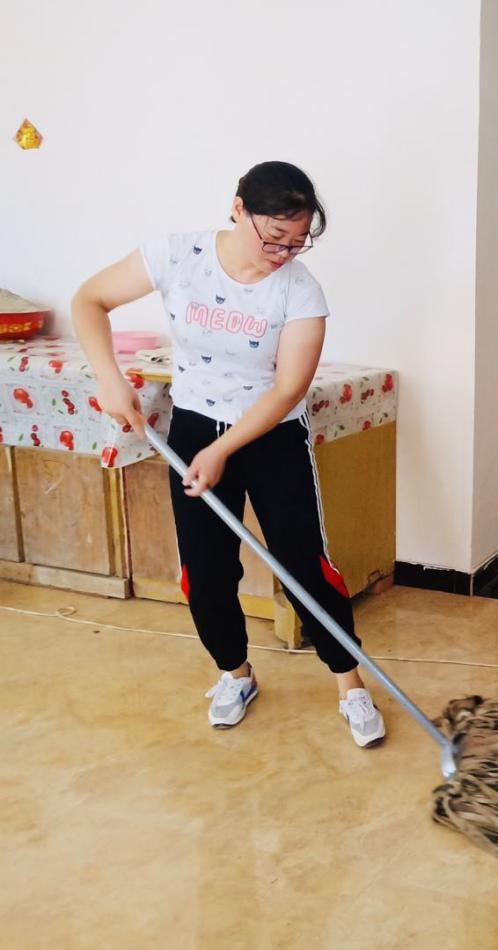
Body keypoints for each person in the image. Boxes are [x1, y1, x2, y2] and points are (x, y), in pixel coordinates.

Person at [71, 161, 386, 747]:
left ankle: (350, 683)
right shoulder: (176, 255)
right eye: (275, 237)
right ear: (238, 208)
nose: (284, 253)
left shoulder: (300, 290)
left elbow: (287, 389)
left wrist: (222, 449)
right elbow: (89, 300)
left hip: (271, 436)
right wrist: (109, 377)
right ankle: (235, 674)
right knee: (206, 570)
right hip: (193, 426)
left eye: (298, 241)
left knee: (304, 566)